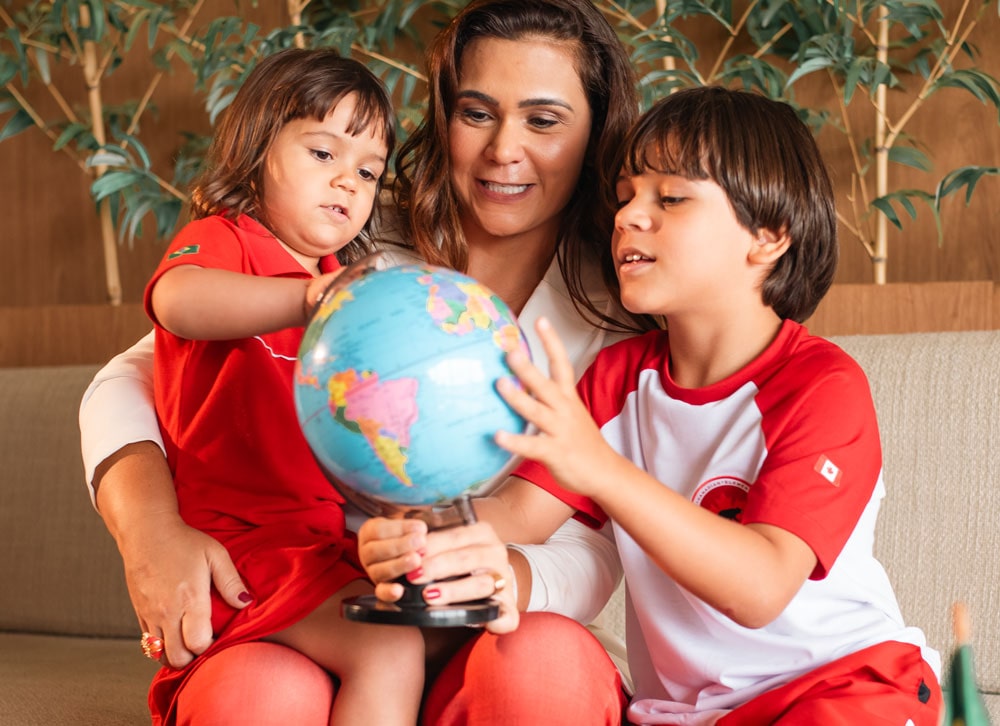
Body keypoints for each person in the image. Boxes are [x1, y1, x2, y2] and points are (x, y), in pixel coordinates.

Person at [79, 1, 658, 723]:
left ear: (595, 133)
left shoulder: (628, 301)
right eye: (475, 113)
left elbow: (596, 532)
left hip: (496, 622)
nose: (504, 149)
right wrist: (151, 532)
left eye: (544, 121)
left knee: (543, 673)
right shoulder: (346, 231)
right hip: (320, 594)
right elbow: (139, 374)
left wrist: (503, 573)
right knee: (258, 696)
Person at [363, 87, 944, 725]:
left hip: (845, 688)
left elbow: (761, 588)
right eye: (625, 195)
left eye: (670, 198)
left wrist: (603, 470)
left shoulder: (820, 385)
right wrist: (421, 530)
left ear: (769, 237)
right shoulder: (618, 377)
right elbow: (518, 515)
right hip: (687, 714)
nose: (628, 216)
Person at [132, 48, 426, 725]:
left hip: (315, 545)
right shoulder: (225, 240)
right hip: (239, 548)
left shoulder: (336, 289)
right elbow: (178, 300)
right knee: (388, 650)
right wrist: (306, 300)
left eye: (367, 171)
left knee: (414, 631)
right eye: (323, 154)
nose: (348, 183)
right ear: (259, 148)